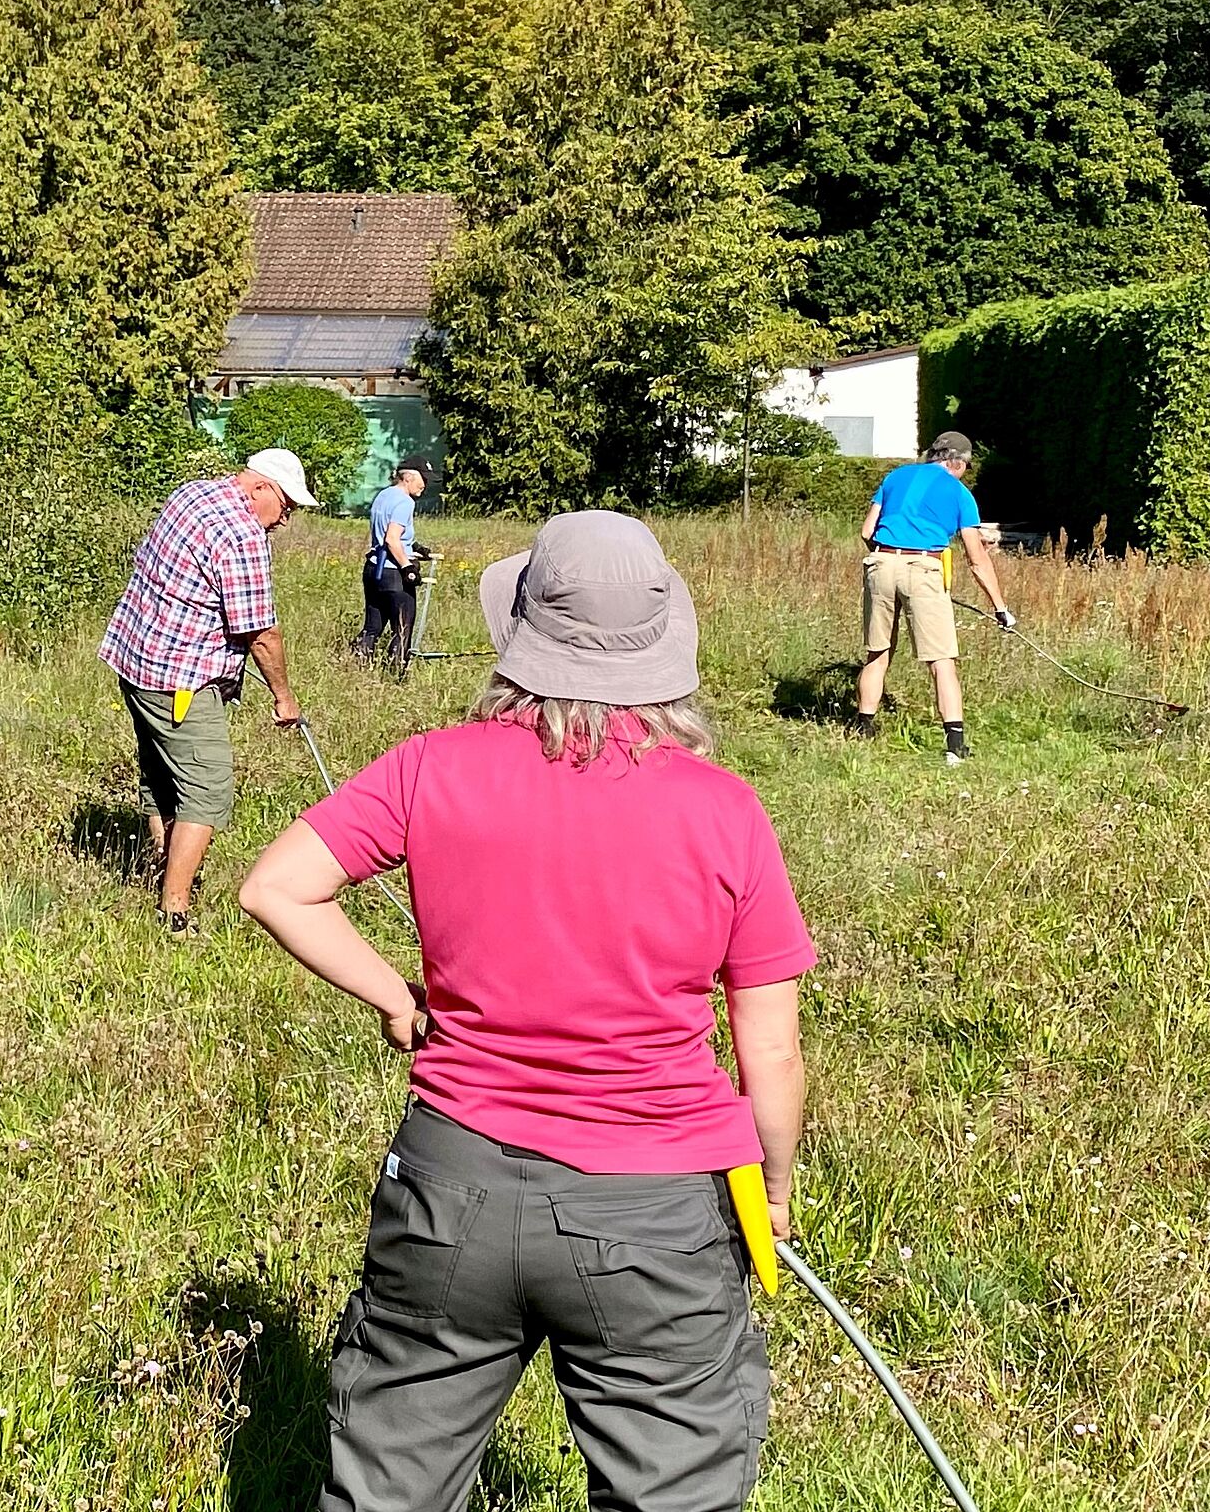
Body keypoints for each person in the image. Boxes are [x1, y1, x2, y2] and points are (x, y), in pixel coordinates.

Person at [240, 511, 814, 1512]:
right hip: (658, 1209)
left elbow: (276, 888)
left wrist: (398, 999)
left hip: (451, 1184)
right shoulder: (726, 809)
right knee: (670, 1490)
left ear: (523, 633)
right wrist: (770, 1188)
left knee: (390, 1487)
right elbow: (771, 1045)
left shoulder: (432, 765)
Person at [100, 448, 312, 930]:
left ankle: (162, 866)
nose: (284, 520)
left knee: (161, 775)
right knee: (207, 788)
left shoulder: (193, 493)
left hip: (135, 661)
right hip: (180, 680)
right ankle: (175, 910)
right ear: (260, 488)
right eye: (286, 506)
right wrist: (284, 696)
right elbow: (261, 632)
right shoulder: (242, 535)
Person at [855, 430, 1012, 764]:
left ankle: (863, 728)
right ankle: (955, 746)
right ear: (957, 462)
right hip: (924, 567)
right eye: (966, 467)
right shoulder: (959, 493)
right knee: (941, 661)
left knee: (879, 651)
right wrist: (1001, 609)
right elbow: (977, 559)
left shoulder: (895, 476)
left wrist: (890, 557)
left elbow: (867, 531)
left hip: (880, 562)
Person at [353, 457, 432, 670]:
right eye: (423, 479)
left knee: (373, 626)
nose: (425, 484)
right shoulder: (405, 501)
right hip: (393, 574)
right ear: (409, 477)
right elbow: (392, 538)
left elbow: (386, 532)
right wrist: (408, 567)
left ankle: (357, 667)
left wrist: (415, 547)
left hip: (373, 570)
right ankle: (396, 675)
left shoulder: (384, 495)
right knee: (403, 627)